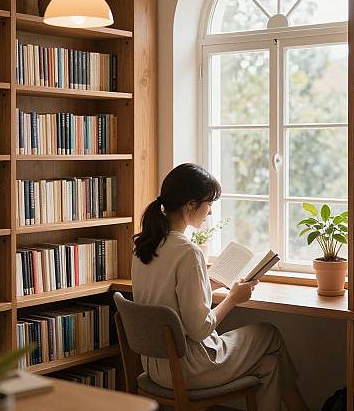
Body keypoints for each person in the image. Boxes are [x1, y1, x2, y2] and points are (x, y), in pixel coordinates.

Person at [132, 163, 309, 411]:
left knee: (270, 365)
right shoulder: (188, 253)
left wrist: (209, 283)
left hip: (156, 366)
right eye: (209, 203)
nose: (211, 212)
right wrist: (233, 299)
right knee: (270, 333)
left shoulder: (144, 245)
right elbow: (200, 329)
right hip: (191, 367)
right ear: (191, 205)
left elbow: (167, 298)